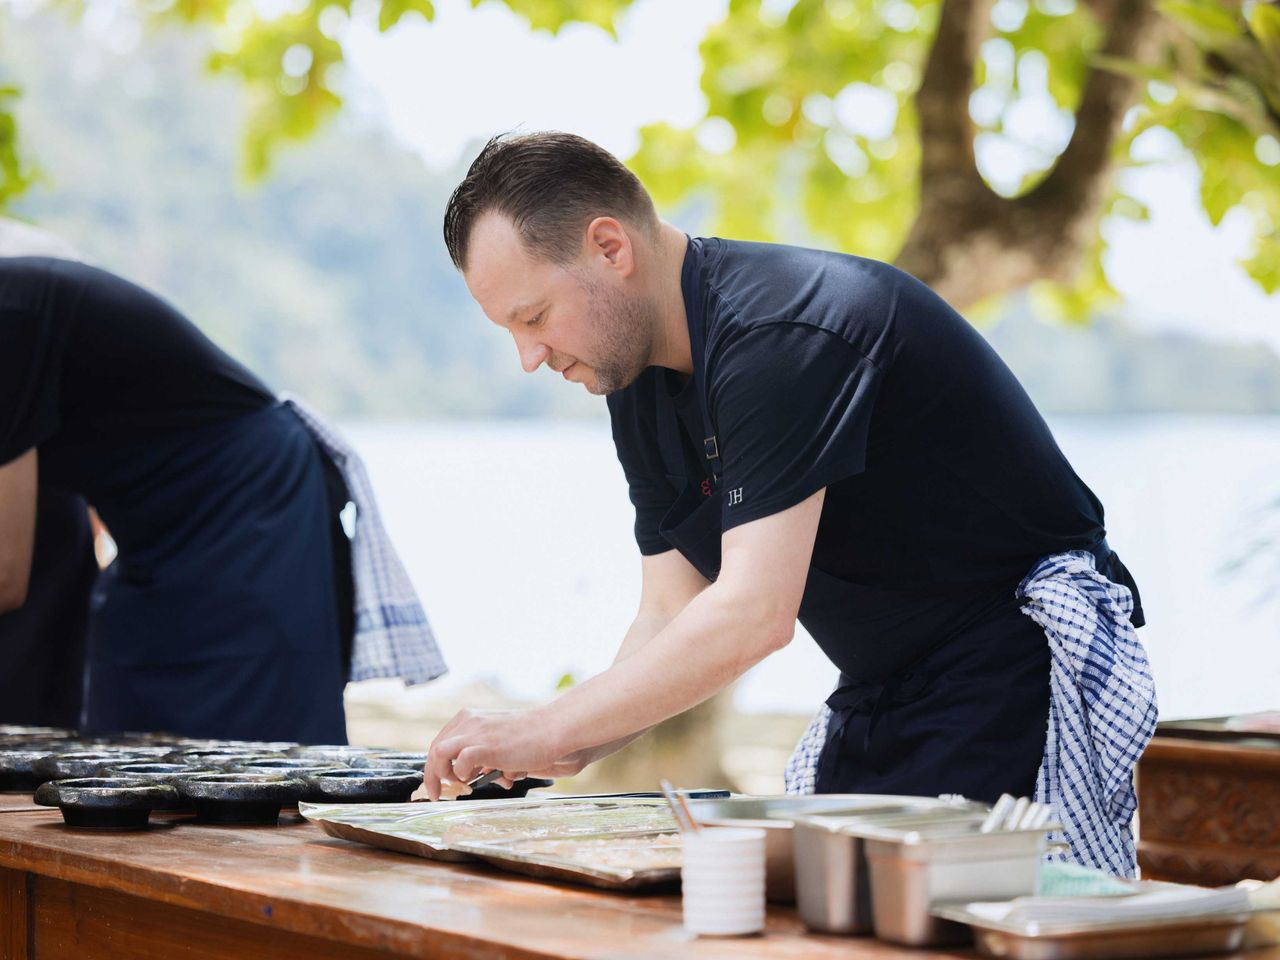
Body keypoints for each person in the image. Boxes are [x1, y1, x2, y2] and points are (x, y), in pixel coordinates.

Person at [425, 132, 1157, 875]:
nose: (528, 356)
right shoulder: (634, 380)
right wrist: (557, 744)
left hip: (1011, 672)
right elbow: (671, 611)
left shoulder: (779, 334)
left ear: (610, 247)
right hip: (878, 693)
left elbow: (752, 614)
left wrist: (546, 729)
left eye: (534, 316)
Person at [0, 256, 445, 742]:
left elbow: (6, 571)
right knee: (121, 761)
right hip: (150, 538)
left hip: (249, 507)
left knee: (261, 771)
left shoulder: (10, 316)